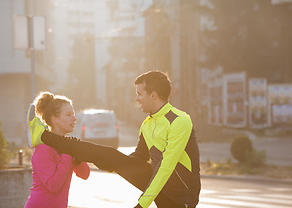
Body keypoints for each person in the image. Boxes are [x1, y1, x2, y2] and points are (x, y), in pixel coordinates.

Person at [27, 70, 201, 208]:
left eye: (139, 93)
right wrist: (109, 162)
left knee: (111, 155)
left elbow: (166, 167)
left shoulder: (180, 121)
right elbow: (136, 159)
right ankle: (43, 136)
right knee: (110, 154)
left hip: (181, 194)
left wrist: (142, 204)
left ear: (153, 95)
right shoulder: (148, 124)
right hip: (160, 187)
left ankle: (43, 136)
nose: (136, 98)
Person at [24, 92, 90, 208]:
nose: (74, 118)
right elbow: (53, 186)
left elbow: (85, 174)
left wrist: (77, 157)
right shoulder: (43, 150)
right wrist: (67, 152)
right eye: (69, 114)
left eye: (73, 114)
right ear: (54, 119)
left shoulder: (68, 145)